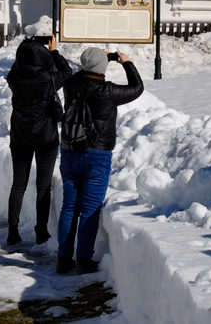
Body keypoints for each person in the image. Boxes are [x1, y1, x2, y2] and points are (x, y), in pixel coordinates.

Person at [56, 45, 142, 275]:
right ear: (102, 68)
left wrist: (95, 60)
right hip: (97, 155)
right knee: (90, 209)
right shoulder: (107, 91)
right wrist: (126, 62)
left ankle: (63, 259)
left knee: (69, 207)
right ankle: (83, 259)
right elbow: (137, 88)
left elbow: (82, 73)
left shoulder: (70, 86)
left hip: (69, 152)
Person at [5, 29, 71, 246]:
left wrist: (27, 47)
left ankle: (12, 231)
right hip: (45, 138)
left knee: (18, 185)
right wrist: (54, 52)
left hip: (20, 137)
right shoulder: (49, 79)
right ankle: (41, 230)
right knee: (44, 187)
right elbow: (67, 71)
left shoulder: (14, 78)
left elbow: (17, 65)